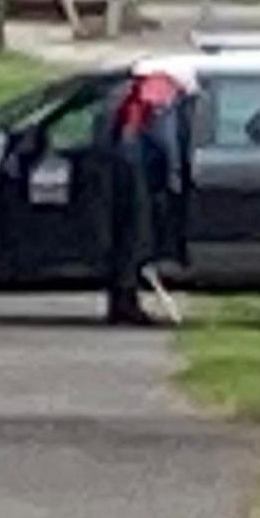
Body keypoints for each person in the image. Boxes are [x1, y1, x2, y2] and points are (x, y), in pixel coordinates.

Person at [104, 64, 185, 327]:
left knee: (126, 242)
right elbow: (166, 140)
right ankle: (125, 303)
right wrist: (174, 177)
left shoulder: (126, 95)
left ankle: (121, 301)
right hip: (137, 176)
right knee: (135, 241)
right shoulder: (160, 92)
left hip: (121, 174)